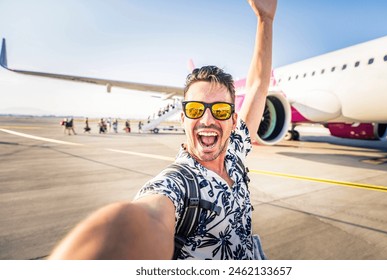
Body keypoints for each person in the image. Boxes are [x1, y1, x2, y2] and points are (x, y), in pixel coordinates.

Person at [48, 0, 276, 260]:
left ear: (233, 121)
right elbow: (148, 218)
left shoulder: (235, 151)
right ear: (183, 119)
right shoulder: (177, 185)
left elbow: (258, 84)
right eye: (195, 109)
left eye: (220, 111)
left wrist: (265, 20)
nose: (208, 119)